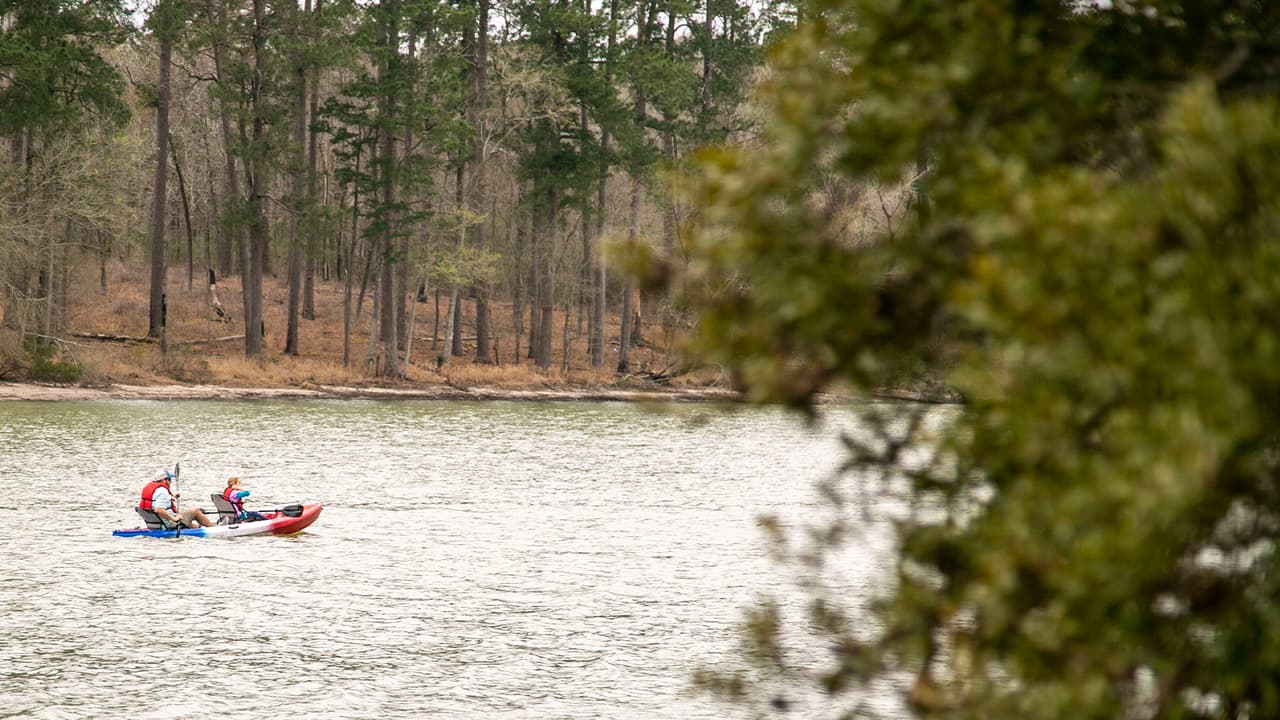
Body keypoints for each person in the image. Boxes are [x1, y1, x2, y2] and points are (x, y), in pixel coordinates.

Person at [140, 469, 216, 529]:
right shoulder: (163, 491)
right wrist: (173, 518)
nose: (170, 482)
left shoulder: (150, 488)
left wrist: (171, 496)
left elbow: (155, 500)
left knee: (192, 525)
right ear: (164, 480)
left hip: (156, 523)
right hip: (168, 523)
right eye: (169, 480)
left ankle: (199, 529)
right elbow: (158, 509)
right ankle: (213, 528)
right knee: (195, 511)